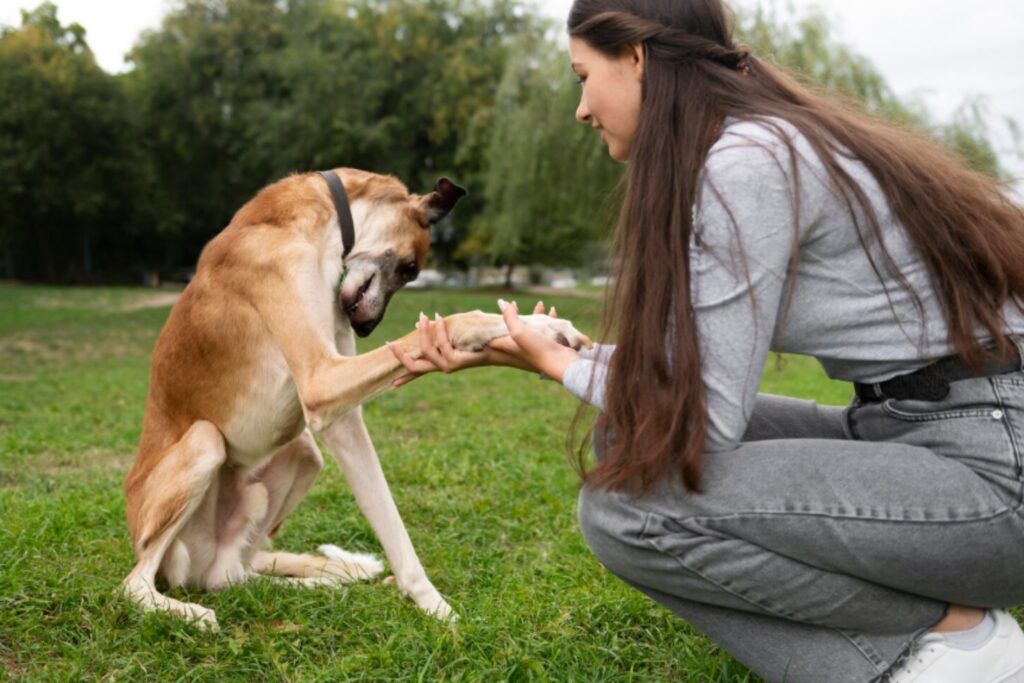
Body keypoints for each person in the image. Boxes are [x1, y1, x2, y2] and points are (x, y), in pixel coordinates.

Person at [388, 0, 1024, 681]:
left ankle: (950, 643)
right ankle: (943, 634)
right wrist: (551, 352)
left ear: (636, 58)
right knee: (623, 440)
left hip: (995, 470)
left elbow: (703, 416)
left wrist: (559, 364)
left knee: (625, 511)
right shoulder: (756, 146)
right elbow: (683, 374)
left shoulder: (749, 163)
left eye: (583, 76)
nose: (580, 108)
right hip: (918, 425)